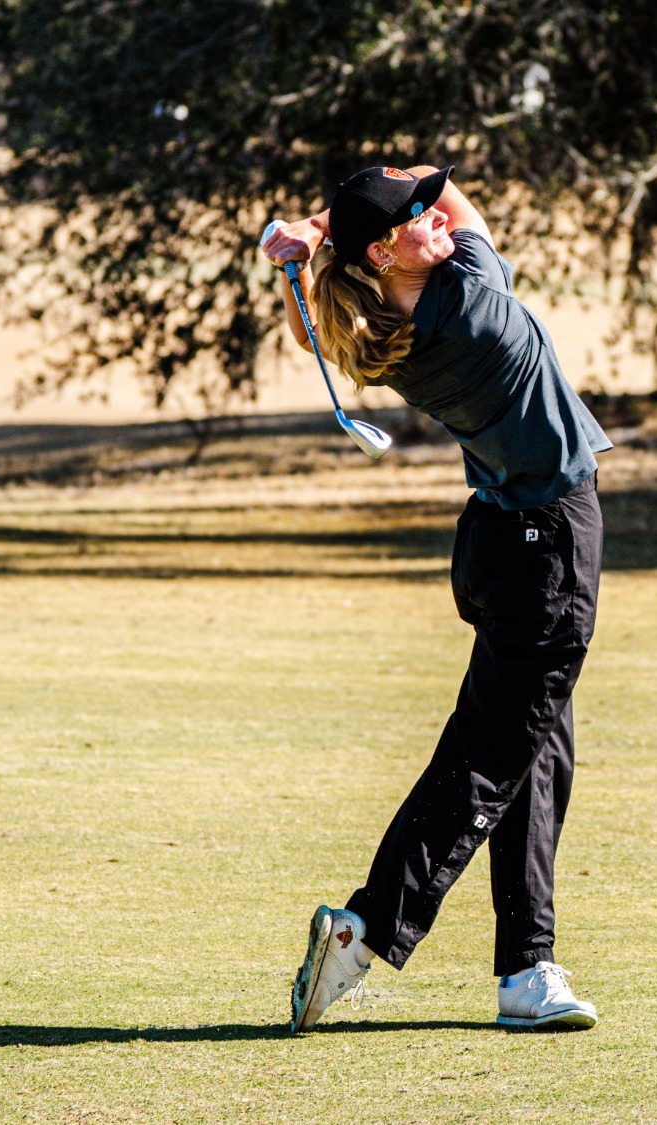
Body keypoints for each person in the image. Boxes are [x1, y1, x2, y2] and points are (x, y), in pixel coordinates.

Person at [262, 165, 612, 1032]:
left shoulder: (381, 331)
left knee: (537, 751)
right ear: (384, 253)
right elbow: (442, 184)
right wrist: (320, 228)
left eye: (422, 213)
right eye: (413, 220)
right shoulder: (469, 294)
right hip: (548, 546)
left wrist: (308, 247)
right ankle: (365, 927)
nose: (434, 217)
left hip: (496, 540)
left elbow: (317, 327)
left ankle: (526, 967)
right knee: (491, 758)